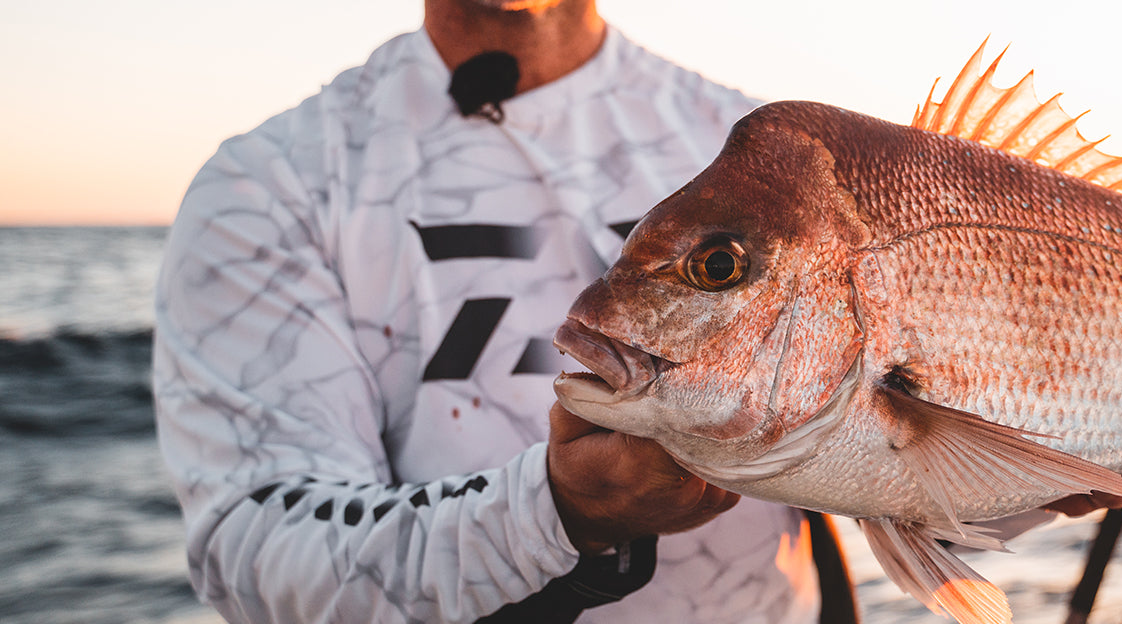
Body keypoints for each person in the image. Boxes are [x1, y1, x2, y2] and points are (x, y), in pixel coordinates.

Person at [153, 1, 844, 621]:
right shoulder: (269, 185)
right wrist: (558, 512)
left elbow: (917, 465)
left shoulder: (776, 158)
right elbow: (256, 554)